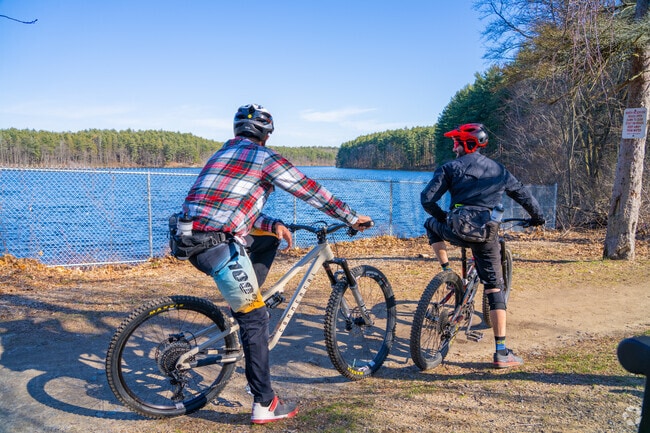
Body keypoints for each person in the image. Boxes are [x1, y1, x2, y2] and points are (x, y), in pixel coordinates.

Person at [179, 103, 372, 424]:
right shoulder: (264, 157)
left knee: (267, 240)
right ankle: (264, 403)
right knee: (255, 319)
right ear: (266, 135)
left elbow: (229, 207)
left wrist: (272, 226)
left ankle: (249, 298)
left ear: (236, 130)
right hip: (216, 244)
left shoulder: (223, 153)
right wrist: (351, 217)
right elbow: (309, 190)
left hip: (189, 239)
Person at [420, 123, 545, 368]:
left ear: (466, 143)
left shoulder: (449, 168)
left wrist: (443, 217)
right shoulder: (499, 170)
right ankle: (501, 352)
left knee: (429, 223)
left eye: (456, 141)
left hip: (456, 229)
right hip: (487, 233)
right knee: (495, 289)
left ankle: (447, 270)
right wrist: (538, 217)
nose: (453, 145)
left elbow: (427, 199)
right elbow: (523, 195)